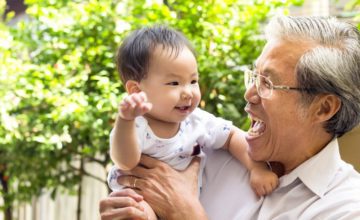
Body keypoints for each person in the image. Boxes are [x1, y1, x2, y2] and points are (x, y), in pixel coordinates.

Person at [99, 16, 360, 220]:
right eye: (254, 77)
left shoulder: (346, 207)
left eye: (267, 82)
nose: (249, 94)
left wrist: (187, 214)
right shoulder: (202, 151)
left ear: (323, 108)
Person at [107, 25, 278, 196]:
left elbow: (232, 136)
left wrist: (257, 169)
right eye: (174, 83)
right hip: (138, 203)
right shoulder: (134, 126)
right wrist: (125, 120)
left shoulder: (196, 121)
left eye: (193, 81)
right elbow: (126, 161)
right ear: (137, 90)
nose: (188, 93)